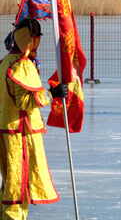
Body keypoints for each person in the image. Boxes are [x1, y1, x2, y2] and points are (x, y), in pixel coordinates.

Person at [0, 19, 66, 220]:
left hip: (9, 128)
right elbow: (25, 101)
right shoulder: (20, 65)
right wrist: (52, 93)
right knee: (17, 182)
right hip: (18, 131)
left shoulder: (5, 62)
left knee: (14, 179)